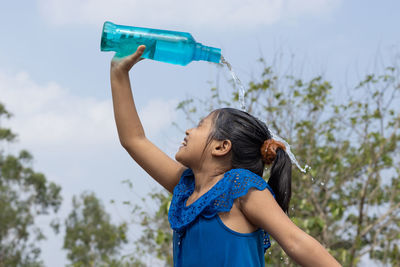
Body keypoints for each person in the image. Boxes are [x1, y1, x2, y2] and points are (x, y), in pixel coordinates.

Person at [109, 45, 341, 267]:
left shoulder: (242, 187)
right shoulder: (187, 188)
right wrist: (119, 73)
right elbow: (134, 140)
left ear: (221, 147)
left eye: (200, 125)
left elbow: (296, 241)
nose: (189, 130)